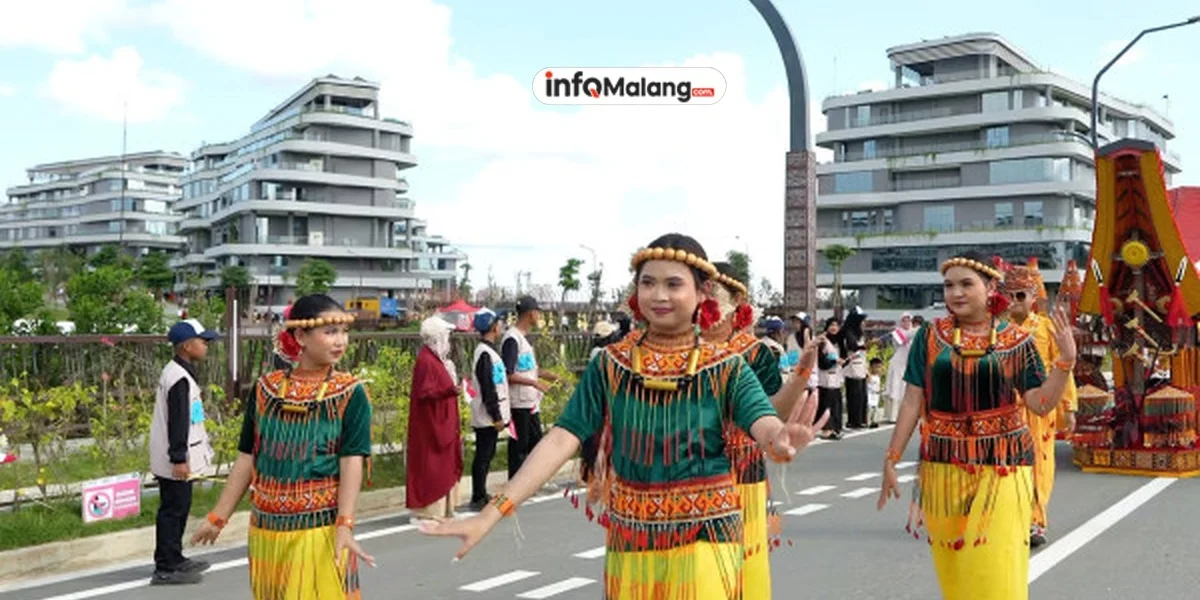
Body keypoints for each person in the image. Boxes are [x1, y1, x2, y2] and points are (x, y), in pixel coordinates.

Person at [421, 233, 829, 599]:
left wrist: (779, 438)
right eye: (648, 282)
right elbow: (562, 438)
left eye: (673, 284)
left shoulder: (726, 366)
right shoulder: (612, 365)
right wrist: (493, 513)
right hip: (632, 540)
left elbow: (761, 420)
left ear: (703, 292)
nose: (659, 295)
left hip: (708, 534)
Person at [877, 251, 1076, 600]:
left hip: (1003, 465)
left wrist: (1065, 362)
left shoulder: (1018, 341)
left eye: (966, 284)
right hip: (941, 465)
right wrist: (891, 457)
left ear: (990, 287)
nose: (956, 293)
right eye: (949, 285)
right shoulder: (930, 336)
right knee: (955, 573)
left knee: (994, 569)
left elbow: (1040, 403)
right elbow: (913, 400)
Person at [191, 294, 376, 599]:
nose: (340, 341)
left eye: (344, 331)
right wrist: (218, 517)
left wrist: (345, 524)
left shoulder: (350, 392)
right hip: (266, 528)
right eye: (330, 331)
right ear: (300, 336)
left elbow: (351, 460)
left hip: (319, 528)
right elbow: (248, 456)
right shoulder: (266, 388)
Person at [703, 261, 818, 600]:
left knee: (744, 571)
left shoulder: (755, 354)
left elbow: (773, 414)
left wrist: (800, 375)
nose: (707, 310)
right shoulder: (677, 352)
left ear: (737, 303)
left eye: (716, 301)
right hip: (689, 470)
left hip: (743, 472)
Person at [1000, 258, 1078, 549]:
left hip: (1038, 408)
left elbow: (1063, 368)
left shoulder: (1046, 328)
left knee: (1038, 466)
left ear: (1033, 298)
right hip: (1004, 409)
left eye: (1021, 295)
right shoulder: (995, 331)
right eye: (1010, 295)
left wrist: (1068, 407)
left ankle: (1035, 520)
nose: (1015, 301)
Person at [149, 319, 218, 585]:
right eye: (203, 342)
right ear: (187, 346)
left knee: (179, 507)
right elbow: (177, 420)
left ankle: (175, 557)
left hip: (178, 457)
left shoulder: (180, 372)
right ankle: (165, 567)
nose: (206, 346)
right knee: (172, 510)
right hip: (176, 459)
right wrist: (178, 458)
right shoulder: (178, 378)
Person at [406, 316, 464, 520]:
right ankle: (429, 510)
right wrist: (448, 391)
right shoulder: (426, 360)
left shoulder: (435, 360)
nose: (448, 341)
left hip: (443, 420)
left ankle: (446, 508)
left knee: (444, 464)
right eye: (445, 336)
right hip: (431, 425)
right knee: (432, 466)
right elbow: (425, 392)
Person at [502, 296, 560, 477]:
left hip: (530, 401)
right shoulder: (512, 339)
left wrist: (544, 374)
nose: (539, 316)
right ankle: (515, 483)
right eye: (537, 312)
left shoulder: (523, 339)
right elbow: (509, 373)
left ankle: (530, 479)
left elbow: (526, 369)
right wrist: (534, 382)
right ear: (530, 314)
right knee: (519, 446)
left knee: (535, 441)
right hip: (519, 402)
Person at [467, 307, 511, 511]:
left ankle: (481, 492)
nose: (501, 326)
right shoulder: (485, 353)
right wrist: (496, 416)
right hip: (487, 415)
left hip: (490, 414)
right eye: (499, 323)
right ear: (494, 327)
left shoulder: (489, 351)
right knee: (483, 455)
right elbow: (488, 387)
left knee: (487, 453)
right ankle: (477, 495)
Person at [884, 313, 915, 423]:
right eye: (904, 320)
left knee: (906, 390)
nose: (906, 323)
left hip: (908, 364)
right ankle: (893, 416)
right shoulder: (897, 332)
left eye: (908, 320)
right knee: (896, 388)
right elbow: (903, 339)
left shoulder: (914, 333)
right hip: (898, 363)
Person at [817, 317, 844, 440]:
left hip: (837, 377)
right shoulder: (823, 341)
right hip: (825, 377)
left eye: (836, 325)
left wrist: (845, 361)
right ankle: (826, 429)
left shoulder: (839, 341)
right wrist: (834, 361)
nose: (834, 328)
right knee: (825, 403)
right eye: (831, 325)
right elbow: (821, 361)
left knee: (836, 403)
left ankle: (836, 428)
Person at [842, 308, 869, 429]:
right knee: (854, 395)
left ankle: (861, 419)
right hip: (852, 367)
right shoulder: (848, 332)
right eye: (861, 320)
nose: (863, 323)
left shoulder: (859, 333)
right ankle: (854, 420)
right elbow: (853, 346)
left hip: (861, 366)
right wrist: (864, 346)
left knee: (862, 395)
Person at [867, 357, 885, 428]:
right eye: (876, 367)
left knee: (875, 408)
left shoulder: (878, 377)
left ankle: (874, 421)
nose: (878, 369)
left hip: (876, 395)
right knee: (869, 408)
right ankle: (868, 421)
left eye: (879, 367)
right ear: (871, 367)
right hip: (870, 394)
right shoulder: (870, 376)